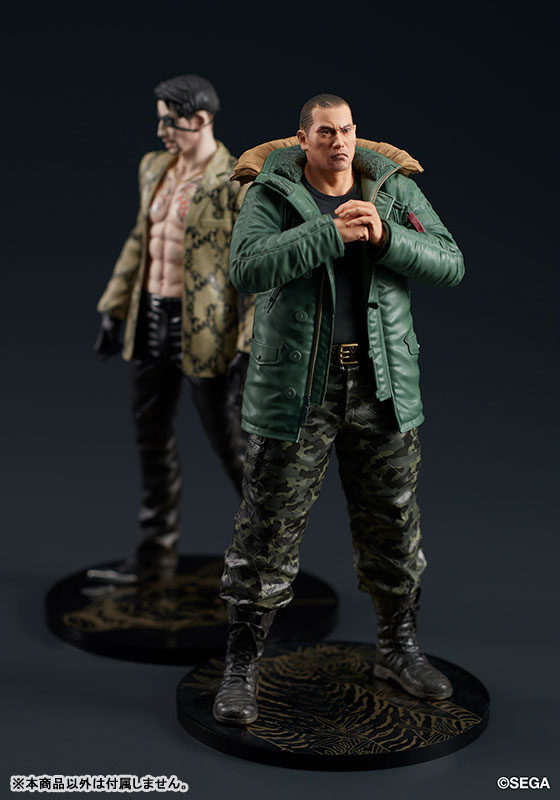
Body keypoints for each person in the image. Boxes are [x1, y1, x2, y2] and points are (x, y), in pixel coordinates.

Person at [212, 94, 465, 725]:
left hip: (381, 383)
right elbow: (246, 267)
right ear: (303, 139)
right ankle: (240, 667)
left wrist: (385, 236)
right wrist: (327, 233)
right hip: (298, 388)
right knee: (267, 528)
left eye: (347, 130)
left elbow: (451, 262)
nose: (339, 142)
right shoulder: (272, 192)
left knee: (394, 523)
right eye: (326, 132)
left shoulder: (394, 189)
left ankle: (397, 649)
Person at [90, 74, 253, 584]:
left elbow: (261, 271)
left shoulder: (238, 181)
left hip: (208, 331)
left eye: (169, 121)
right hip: (151, 319)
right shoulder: (154, 168)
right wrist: (115, 308)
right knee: (151, 439)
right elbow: (141, 240)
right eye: (159, 120)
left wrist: (248, 344)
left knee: (231, 446)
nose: (161, 131)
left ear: (200, 119)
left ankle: (266, 559)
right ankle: (155, 552)